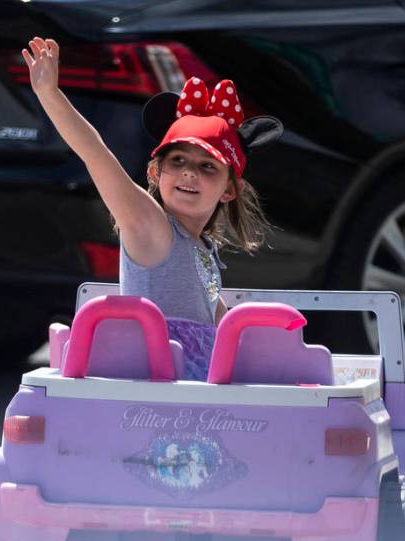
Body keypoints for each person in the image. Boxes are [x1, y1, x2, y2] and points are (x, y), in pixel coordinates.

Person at [22, 37, 283, 380]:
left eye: (208, 167)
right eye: (178, 160)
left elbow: (223, 328)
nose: (189, 172)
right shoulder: (152, 227)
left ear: (230, 190)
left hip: (191, 392)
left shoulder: (202, 247)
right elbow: (98, 156)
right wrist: (50, 96)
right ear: (155, 173)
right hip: (155, 393)